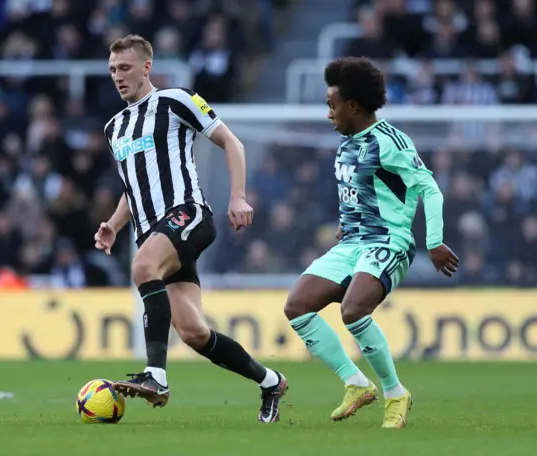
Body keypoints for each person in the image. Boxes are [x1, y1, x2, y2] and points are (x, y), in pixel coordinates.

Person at [94, 34, 287, 423]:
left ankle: (156, 377)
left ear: (146, 67)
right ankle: (270, 381)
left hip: (188, 215)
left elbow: (232, 143)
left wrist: (237, 196)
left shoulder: (176, 101)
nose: (118, 76)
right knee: (194, 332)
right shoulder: (114, 128)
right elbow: (135, 187)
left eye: (125, 68)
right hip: (153, 233)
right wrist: (114, 224)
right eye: (113, 69)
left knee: (143, 268)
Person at [283, 57, 459, 428]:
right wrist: (344, 224)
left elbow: (429, 188)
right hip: (353, 244)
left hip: (389, 242)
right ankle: (355, 383)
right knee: (297, 306)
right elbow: (359, 193)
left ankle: (396, 393)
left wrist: (435, 241)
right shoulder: (345, 145)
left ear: (354, 106)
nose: (328, 113)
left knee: (353, 310)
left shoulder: (390, 141)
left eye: (332, 105)